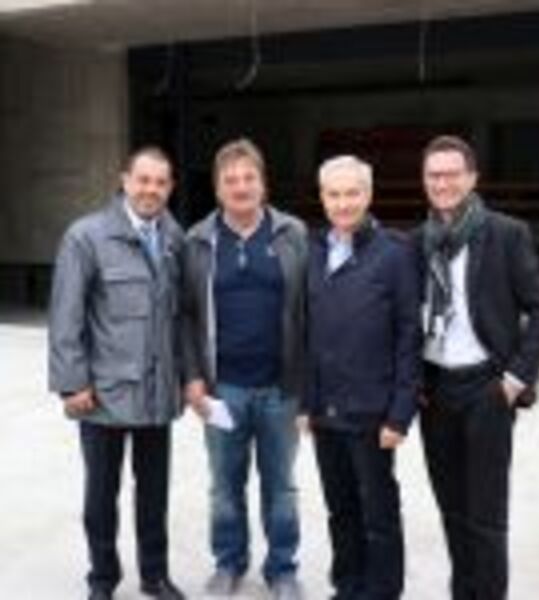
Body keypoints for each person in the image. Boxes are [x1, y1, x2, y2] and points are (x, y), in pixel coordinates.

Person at [416, 135, 539, 600]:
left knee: (486, 517)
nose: (443, 183)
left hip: (487, 389)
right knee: (452, 511)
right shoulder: (418, 242)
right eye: (434, 175)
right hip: (435, 391)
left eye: (452, 174)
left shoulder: (505, 234)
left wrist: (515, 380)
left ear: (472, 178)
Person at [48, 147, 186, 600]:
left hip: (157, 392)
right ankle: (103, 579)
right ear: (124, 180)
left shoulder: (174, 238)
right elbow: (66, 316)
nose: (151, 190)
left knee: (154, 494)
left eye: (161, 182)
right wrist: (71, 384)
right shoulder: (86, 237)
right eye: (143, 180)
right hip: (103, 394)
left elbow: (181, 317)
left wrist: (184, 378)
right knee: (101, 496)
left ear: (170, 187)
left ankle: (154, 575)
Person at [182, 138, 307, 599]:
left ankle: (282, 569)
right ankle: (229, 563)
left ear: (263, 183)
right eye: (230, 180)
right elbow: (186, 315)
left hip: (281, 389)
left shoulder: (292, 235)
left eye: (248, 177)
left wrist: (307, 389)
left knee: (282, 487)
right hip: (223, 391)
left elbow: (309, 312)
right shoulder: (197, 241)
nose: (240, 187)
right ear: (217, 188)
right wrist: (193, 376)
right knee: (224, 487)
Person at [299, 155, 421, 600]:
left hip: (373, 411)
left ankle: (382, 591)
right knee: (340, 508)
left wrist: (400, 413)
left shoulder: (395, 252)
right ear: (322, 198)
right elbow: (307, 332)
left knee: (378, 511)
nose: (343, 203)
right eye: (334, 194)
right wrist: (306, 404)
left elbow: (409, 335)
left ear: (368, 195)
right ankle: (348, 585)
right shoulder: (314, 251)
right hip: (326, 410)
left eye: (352, 193)